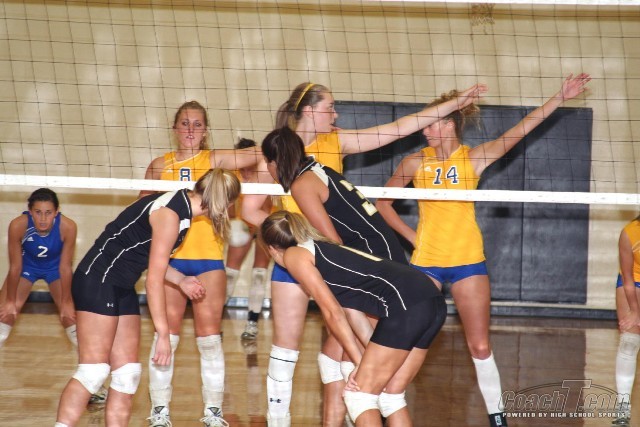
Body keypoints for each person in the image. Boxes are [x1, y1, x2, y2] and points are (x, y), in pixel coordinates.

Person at [242, 82, 486, 427]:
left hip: (344, 257)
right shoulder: (285, 152)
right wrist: (288, 237)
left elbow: (399, 128)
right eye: (330, 106)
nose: (335, 113)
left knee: (348, 362)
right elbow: (249, 208)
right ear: (309, 110)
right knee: (296, 352)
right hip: (313, 252)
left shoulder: (330, 147)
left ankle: (353, 399)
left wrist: (455, 103)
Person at [375, 73, 591, 427]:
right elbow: (382, 203)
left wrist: (560, 97)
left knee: (479, 346)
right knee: (410, 338)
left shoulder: (473, 158)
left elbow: (520, 130)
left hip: (467, 262)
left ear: (449, 125)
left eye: (432, 123)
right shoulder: (414, 163)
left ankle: (497, 417)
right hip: (426, 263)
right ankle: (388, 402)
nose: (425, 129)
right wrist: (413, 238)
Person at [54, 168, 241, 427]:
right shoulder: (171, 215)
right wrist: (163, 334)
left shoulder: (183, 210)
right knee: (93, 371)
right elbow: (153, 280)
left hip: (121, 285)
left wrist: (181, 280)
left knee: (127, 375)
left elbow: (152, 261)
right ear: (224, 203)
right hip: (98, 280)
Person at [259, 211, 447, 427]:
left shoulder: (294, 255)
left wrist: (359, 363)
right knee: (391, 397)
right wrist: (364, 359)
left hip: (405, 304)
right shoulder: (327, 251)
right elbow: (351, 313)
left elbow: (333, 313)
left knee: (359, 397)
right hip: (431, 299)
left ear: (271, 248)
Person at [140, 101, 260, 427]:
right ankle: (160, 412)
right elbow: (140, 212)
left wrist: (293, 141)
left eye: (197, 124)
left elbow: (257, 155)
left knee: (209, 339)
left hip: (208, 260)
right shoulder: (159, 165)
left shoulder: (214, 160)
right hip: (171, 261)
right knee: (167, 335)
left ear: (206, 130)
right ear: (175, 128)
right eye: (185, 123)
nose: (191, 129)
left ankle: (213, 412)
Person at [0, 188, 77, 347]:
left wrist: (66, 302)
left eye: (48, 212)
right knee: (5, 314)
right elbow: (15, 267)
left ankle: (87, 359)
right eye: (37, 212)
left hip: (55, 269)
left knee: (70, 317)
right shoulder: (18, 225)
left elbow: (65, 268)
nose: (43, 219)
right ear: (30, 212)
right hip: (26, 267)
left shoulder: (68, 227)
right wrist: (10, 301)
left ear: (56, 212)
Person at [225, 137, 272, 341]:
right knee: (230, 273)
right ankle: (216, 316)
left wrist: (257, 228)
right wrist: (231, 226)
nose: (245, 168)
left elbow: (267, 206)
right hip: (242, 224)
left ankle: (252, 322)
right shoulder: (233, 175)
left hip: (263, 223)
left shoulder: (264, 173)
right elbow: (229, 209)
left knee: (259, 273)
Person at [613, 214, 640, 426]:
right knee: (629, 342)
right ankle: (623, 407)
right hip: (634, 282)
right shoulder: (630, 232)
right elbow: (628, 278)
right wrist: (635, 311)